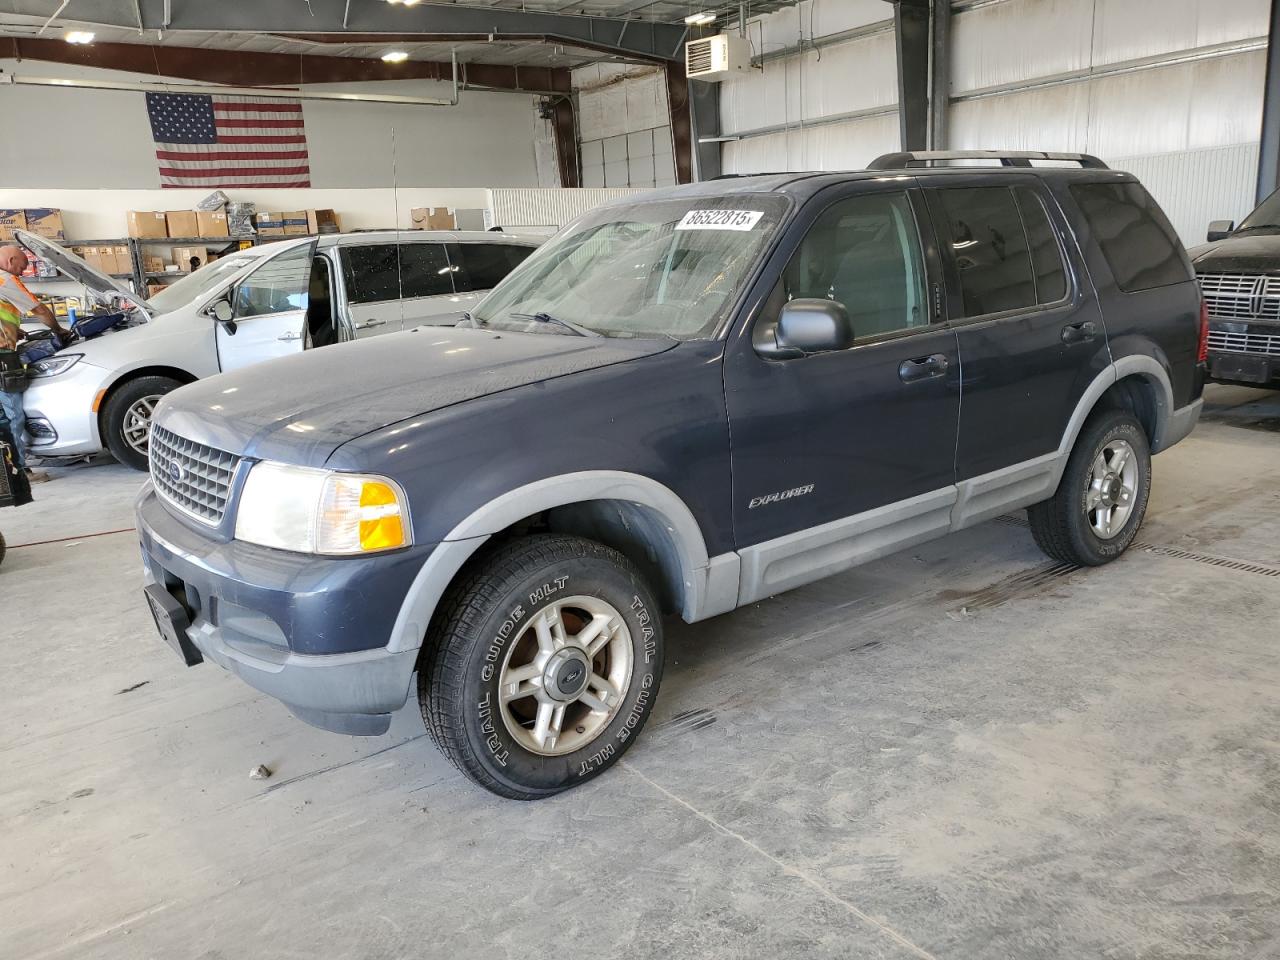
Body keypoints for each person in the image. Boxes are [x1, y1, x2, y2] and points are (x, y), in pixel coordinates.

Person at [0, 243, 72, 483]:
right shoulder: (5, 279)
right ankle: (17, 473)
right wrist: (58, 329)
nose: (22, 273)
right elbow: (39, 310)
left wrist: (14, 330)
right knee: (12, 416)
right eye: (21, 268)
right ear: (10, 262)